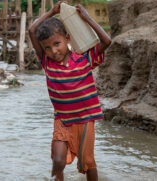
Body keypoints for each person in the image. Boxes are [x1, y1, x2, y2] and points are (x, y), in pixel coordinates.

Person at [29, 1, 111, 181]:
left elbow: (107, 40)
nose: (53, 51)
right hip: (62, 120)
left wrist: (87, 18)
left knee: (88, 163)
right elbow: (32, 31)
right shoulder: (46, 62)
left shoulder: (85, 58)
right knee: (58, 160)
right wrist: (52, 11)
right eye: (47, 47)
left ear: (67, 37)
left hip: (86, 119)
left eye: (57, 43)